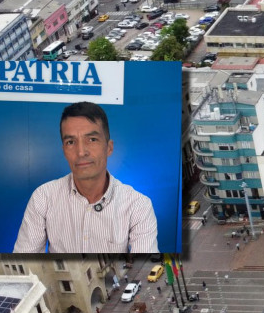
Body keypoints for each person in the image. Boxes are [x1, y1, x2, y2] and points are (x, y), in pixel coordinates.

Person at [13, 102, 158, 253]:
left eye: (92, 139)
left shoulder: (138, 206)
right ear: (64, 151)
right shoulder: (43, 198)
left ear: (109, 148)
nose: (81, 152)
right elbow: (24, 263)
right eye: (71, 142)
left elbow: (144, 266)